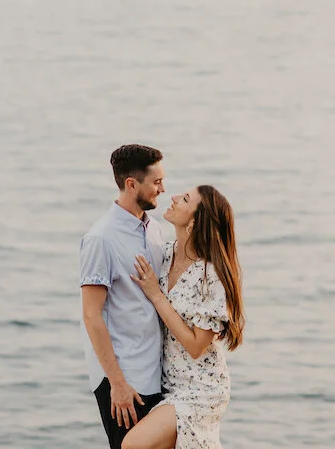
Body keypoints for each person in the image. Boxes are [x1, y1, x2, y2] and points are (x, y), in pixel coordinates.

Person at [123, 185, 245, 449]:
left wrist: (157, 295)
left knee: (133, 445)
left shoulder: (211, 276)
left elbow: (195, 346)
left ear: (195, 221)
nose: (174, 197)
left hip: (201, 389)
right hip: (166, 382)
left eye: (185, 199)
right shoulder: (164, 255)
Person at [80, 144, 168, 449]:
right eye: (156, 182)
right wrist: (116, 383)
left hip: (156, 372)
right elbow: (91, 316)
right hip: (124, 378)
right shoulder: (100, 238)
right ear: (132, 184)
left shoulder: (155, 230)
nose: (163, 189)